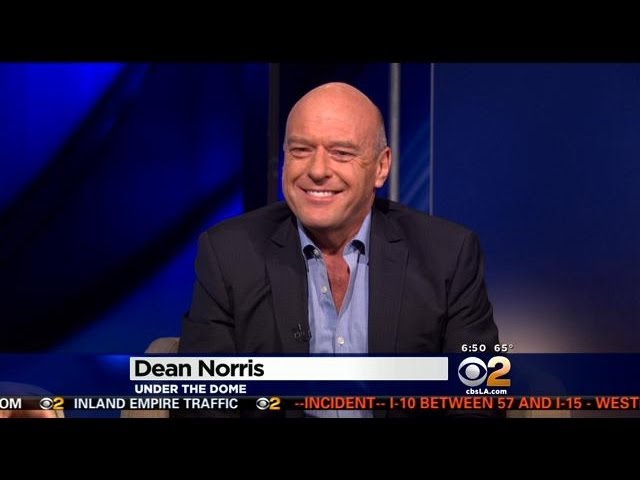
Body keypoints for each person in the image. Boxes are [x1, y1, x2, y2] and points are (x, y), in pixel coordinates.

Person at [176, 82, 500, 418]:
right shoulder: (228, 253)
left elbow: (477, 397)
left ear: (381, 167)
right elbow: (203, 402)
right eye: (301, 150)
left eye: (341, 153)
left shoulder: (448, 254)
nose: (317, 171)